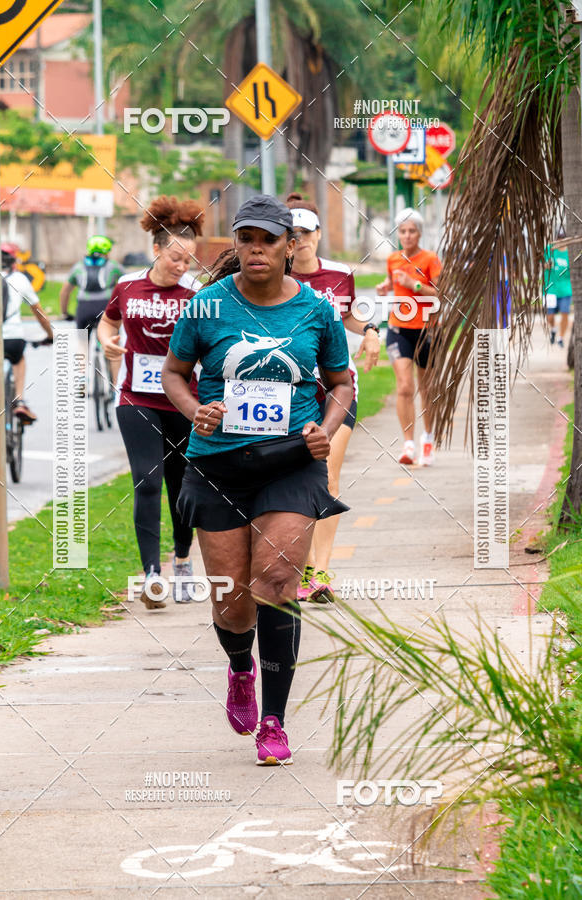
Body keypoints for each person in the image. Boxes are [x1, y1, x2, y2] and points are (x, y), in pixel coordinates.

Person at [162, 194, 353, 765]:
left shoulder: (317, 311)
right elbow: (175, 373)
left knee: (274, 581)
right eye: (246, 238)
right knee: (232, 601)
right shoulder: (205, 306)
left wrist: (326, 427)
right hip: (217, 463)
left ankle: (274, 720)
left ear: (289, 246)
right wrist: (194, 407)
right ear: (236, 245)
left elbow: (341, 382)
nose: (256, 249)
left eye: (268, 239)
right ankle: (240, 665)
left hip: (292, 461)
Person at [97, 197, 204, 606]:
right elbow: (110, 318)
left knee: (182, 487)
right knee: (147, 480)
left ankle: (180, 560)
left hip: (183, 400)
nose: (182, 267)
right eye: (176, 258)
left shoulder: (197, 294)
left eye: (189, 261)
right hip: (136, 397)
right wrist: (108, 339)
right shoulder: (127, 285)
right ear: (157, 249)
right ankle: (151, 576)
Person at [287, 192, 380, 603]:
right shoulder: (276, 276)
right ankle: (301, 565)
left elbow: (349, 316)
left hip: (338, 387)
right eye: (293, 234)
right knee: (298, 481)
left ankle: (320, 572)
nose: (301, 240)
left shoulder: (340, 274)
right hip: (291, 392)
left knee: (327, 476)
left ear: (319, 234)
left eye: (307, 232)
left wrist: (373, 330)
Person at [376, 208, 441, 466]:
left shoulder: (430, 259)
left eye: (412, 231)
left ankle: (428, 440)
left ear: (419, 233)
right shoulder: (393, 259)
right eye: (402, 231)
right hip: (398, 329)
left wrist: (414, 284)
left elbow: (438, 293)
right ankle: (408, 444)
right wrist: (385, 286)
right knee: (404, 386)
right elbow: (393, 283)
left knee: (426, 388)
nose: (407, 235)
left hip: (426, 331)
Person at [0, 243, 53, 465]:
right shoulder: (21, 280)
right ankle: (19, 401)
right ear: (14, 261)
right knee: (19, 358)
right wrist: (50, 334)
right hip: (13, 340)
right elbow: (39, 313)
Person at [60, 236, 124, 380]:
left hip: (84, 308)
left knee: (83, 343)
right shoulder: (114, 266)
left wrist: (65, 312)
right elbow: (128, 285)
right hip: (105, 308)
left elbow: (64, 291)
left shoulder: (78, 267)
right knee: (113, 347)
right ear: (107, 251)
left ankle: (82, 379)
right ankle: (116, 388)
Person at [545, 230, 571, 348]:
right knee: (550, 316)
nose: (561, 241)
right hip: (551, 289)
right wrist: (546, 265)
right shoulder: (550, 249)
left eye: (563, 239)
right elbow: (542, 261)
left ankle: (560, 337)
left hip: (565, 290)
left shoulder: (570, 253)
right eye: (559, 238)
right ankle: (554, 329)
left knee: (565, 313)